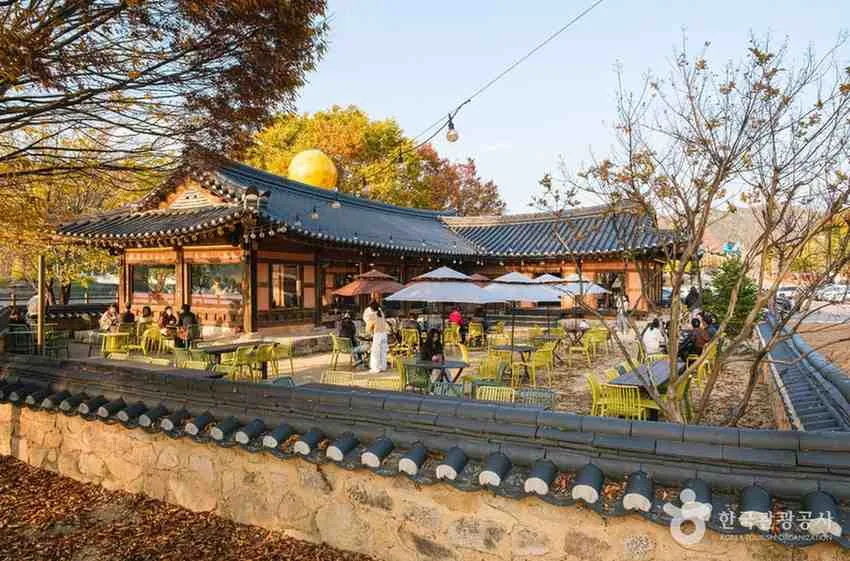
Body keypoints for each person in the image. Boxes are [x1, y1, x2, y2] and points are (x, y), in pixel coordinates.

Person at [366, 301, 388, 373]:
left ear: (371, 308)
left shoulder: (372, 315)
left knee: (375, 352)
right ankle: (383, 367)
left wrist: (369, 332)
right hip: (384, 334)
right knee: (383, 352)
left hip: (377, 334)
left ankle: (375, 368)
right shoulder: (381, 313)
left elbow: (368, 328)